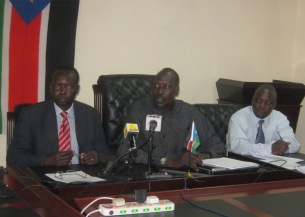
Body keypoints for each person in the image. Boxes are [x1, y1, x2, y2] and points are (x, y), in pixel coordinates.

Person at [118, 68, 226, 171]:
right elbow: (125, 150)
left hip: (182, 177)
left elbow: (219, 147)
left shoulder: (189, 113)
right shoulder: (139, 110)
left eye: (166, 87)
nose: (159, 91)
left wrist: (199, 156)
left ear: (176, 90)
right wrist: (166, 162)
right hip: (148, 174)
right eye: (156, 86)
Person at [7, 66, 111, 170]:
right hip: (44, 179)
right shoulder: (30, 115)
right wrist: (44, 160)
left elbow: (106, 154)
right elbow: (13, 156)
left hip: (82, 179)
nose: (63, 91)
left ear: (77, 90)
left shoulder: (90, 115)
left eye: (68, 86)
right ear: (50, 88)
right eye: (58, 85)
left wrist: (98, 157)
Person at [226, 84, 300, 157]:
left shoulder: (279, 118)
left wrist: (284, 147)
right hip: (239, 162)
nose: (262, 106)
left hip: (270, 163)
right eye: (258, 101)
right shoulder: (239, 117)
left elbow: (294, 144)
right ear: (252, 101)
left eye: (267, 103)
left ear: (274, 105)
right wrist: (270, 148)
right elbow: (238, 146)